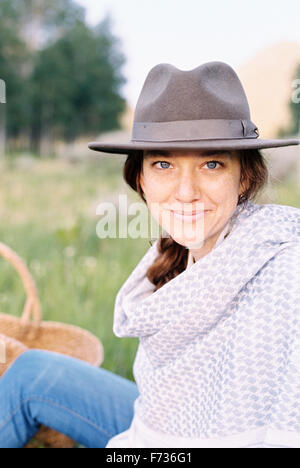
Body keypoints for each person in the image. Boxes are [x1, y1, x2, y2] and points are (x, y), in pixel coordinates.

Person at [0, 61, 300, 448]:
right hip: (156, 421)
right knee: (30, 374)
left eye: (211, 164)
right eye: (163, 164)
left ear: (244, 176)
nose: (186, 191)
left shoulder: (285, 271)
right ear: (141, 178)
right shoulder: (171, 259)